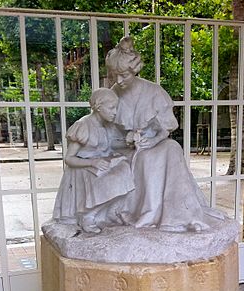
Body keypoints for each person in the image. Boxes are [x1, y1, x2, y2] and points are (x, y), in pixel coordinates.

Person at [105, 36, 225, 232]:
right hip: (126, 150)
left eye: (123, 75)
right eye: (114, 75)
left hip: (152, 143)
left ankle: (181, 213)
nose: (118, 80)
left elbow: (167, 127)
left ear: (134, 70)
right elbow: (108, 135)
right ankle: (148, 212)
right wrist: (127, 139)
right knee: (146, 158)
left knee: (172, 147)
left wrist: (152, 140)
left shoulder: (153, 91)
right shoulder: (113, 94)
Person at [53, 88, 134, 233]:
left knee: (125, 169)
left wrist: (130, 141)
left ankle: (112, 211)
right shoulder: (83, 125)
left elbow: (113, 144)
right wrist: (92, 162)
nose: (115, 112)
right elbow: (69, 158)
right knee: (114, 179)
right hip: (84, 169)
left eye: (116, 108)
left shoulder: (107, 126)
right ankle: (89, 216)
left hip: (100, 165)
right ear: (98, 107)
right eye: (111, 108)